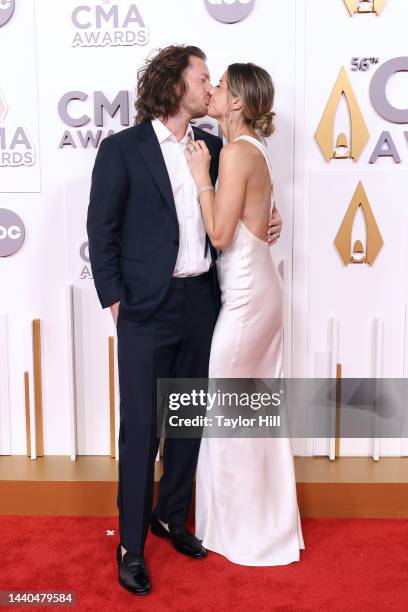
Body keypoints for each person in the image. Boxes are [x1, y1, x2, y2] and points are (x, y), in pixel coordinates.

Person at [86, 46, 283, 595]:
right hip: (146, 309)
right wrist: (115, 299)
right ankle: (129, 544)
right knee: (143, 429)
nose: (208, 87)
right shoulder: (122, 150)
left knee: (188, 419)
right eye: (201, 78)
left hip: (204, 303)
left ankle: (171, 517)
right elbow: (100, 230)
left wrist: (272, 219)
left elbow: (244, 203)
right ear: (176, 87)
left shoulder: (217, 147)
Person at [184, 63, 305, 566]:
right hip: (259, 296)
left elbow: (219, 235)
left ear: (236, 102)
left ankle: (242, 530)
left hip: (248, 301)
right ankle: (261, 521)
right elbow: (259, 220)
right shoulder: (253, 152)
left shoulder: (234, 153)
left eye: (220, 86)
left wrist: (199, 178)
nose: (210, 90)